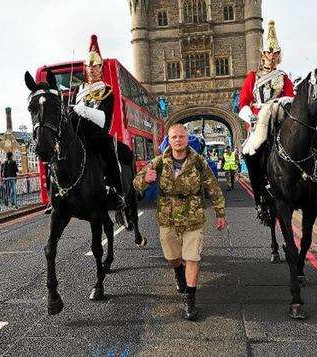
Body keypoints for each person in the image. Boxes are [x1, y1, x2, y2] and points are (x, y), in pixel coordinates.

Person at [133, 124, 226, 321]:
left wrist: (220, 213)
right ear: (169, 139)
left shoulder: (199, 162)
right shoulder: (159, 162)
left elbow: (213, 188)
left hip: (193, 217)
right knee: (173, 257)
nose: (178, 140)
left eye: (181, 137)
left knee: (192, 257)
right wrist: (146, 180)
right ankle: (178, 271)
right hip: (167, 218)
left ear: (187, 139)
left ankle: (190, 300)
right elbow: (137, 182)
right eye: (174, 137)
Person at [238, 20, 294, 224]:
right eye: (268, 54)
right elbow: (243, 102)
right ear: (263, 56)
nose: (271, 57)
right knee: (251, 149)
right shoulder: (253, 76)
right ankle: (259, 195)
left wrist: (281, 103)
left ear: (278, 56)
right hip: (259, 117)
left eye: (275, 54)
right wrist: (250, 116)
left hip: (279, 115)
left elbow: (290, 97)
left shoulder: (283, 76)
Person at [68, 34, 124, 210]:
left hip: (95, 133)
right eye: (88, 66)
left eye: (95, 67)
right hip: (76, 131)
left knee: (109, 149)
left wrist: (82, 110)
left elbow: (103, 119)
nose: (91, 70)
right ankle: (57, 191)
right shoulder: (78, 89)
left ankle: (117, 190)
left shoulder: (107, 90)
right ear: (85, 68)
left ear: (101, 68)